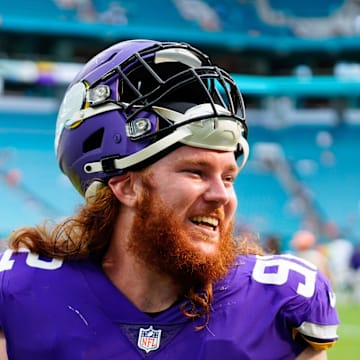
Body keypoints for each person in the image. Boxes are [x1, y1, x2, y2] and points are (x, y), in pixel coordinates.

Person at [0, 39, 339, 359]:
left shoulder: (278, 304)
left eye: (228, 177)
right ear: (126, 186)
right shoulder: (21, 294)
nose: (222, 195)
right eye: (196, 172)